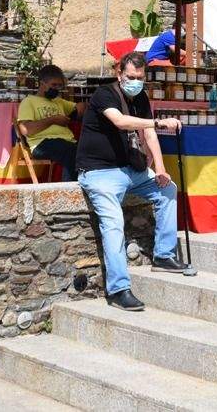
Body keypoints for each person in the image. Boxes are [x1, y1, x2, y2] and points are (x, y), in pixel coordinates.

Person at [77, 50, 185, 311]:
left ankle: (163, 255)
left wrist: (160, 167)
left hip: (129, 170)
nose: (135, 81)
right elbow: (121, 121)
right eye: (131, 76)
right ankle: (118, 289)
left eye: (140, 77)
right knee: (114, 223)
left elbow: (148, 133)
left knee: (168, 190)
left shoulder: (141, 97)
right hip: (99, 172)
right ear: (119, 74)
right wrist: (158, 121)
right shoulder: (105, 94)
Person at [15, 64, 78, 180]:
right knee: (70, 151)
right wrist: (53, 120)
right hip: (41, 143)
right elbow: (25, 129)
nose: (56, 89)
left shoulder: (58, 101)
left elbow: (80, 107)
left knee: (87, 150)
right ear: (42, 83)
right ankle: (68, 191)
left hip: (66, 141)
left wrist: (80, 110)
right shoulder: (29, 102)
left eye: (59, 86)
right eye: (53, 85)